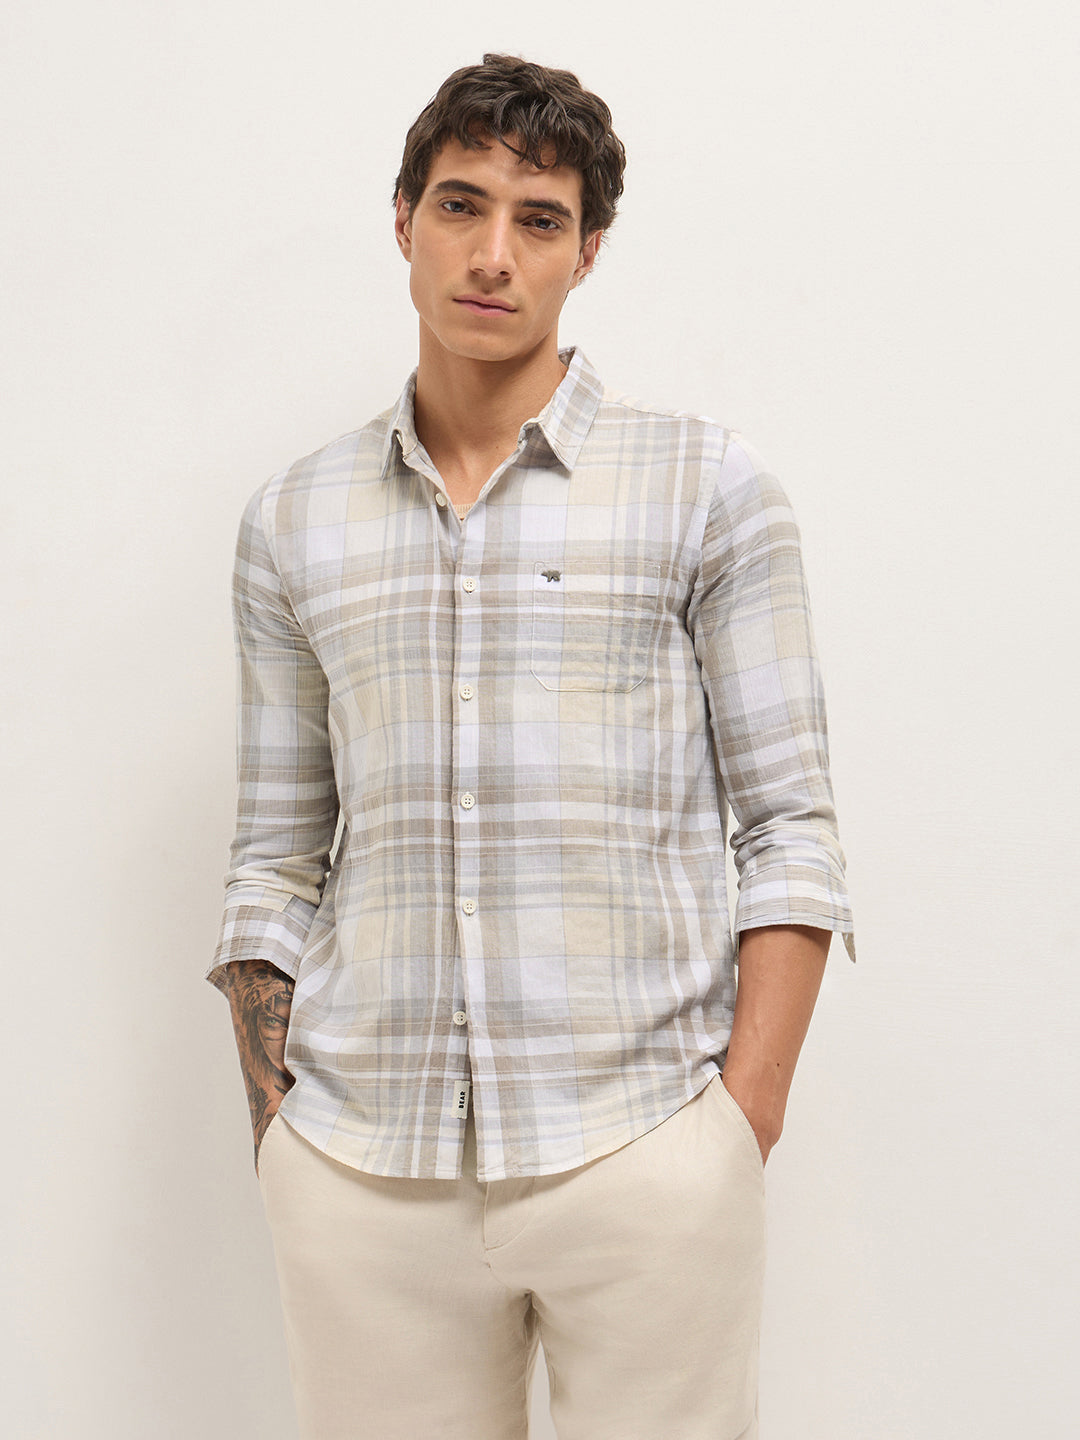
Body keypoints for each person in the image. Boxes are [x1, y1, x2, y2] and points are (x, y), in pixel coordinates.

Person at [207, 52, 855, 1440]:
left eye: (540, 219)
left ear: (587, 250)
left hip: (643, 1144)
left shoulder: (707, 489)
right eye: (461, 205)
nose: (493, 254)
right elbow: (275, 855)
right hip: (363, 1169)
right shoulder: (292, 521)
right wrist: (278, 1127)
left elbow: (789, 828)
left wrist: (738, 1122)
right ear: (404, 219)